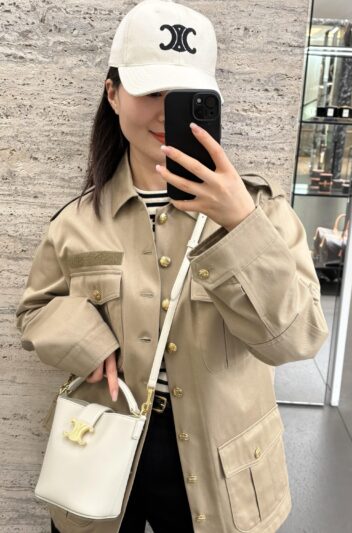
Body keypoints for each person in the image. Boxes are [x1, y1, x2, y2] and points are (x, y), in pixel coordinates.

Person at [15, 0, 330, 532]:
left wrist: (240, 224)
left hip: (220, 462)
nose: (165, 114)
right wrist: (85, 339)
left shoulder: (263, 213)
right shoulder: (78, 221)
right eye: (151, 92)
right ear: (113, 94)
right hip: (105, 442)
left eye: (185, 97)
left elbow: (298, 339)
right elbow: (36, 309)